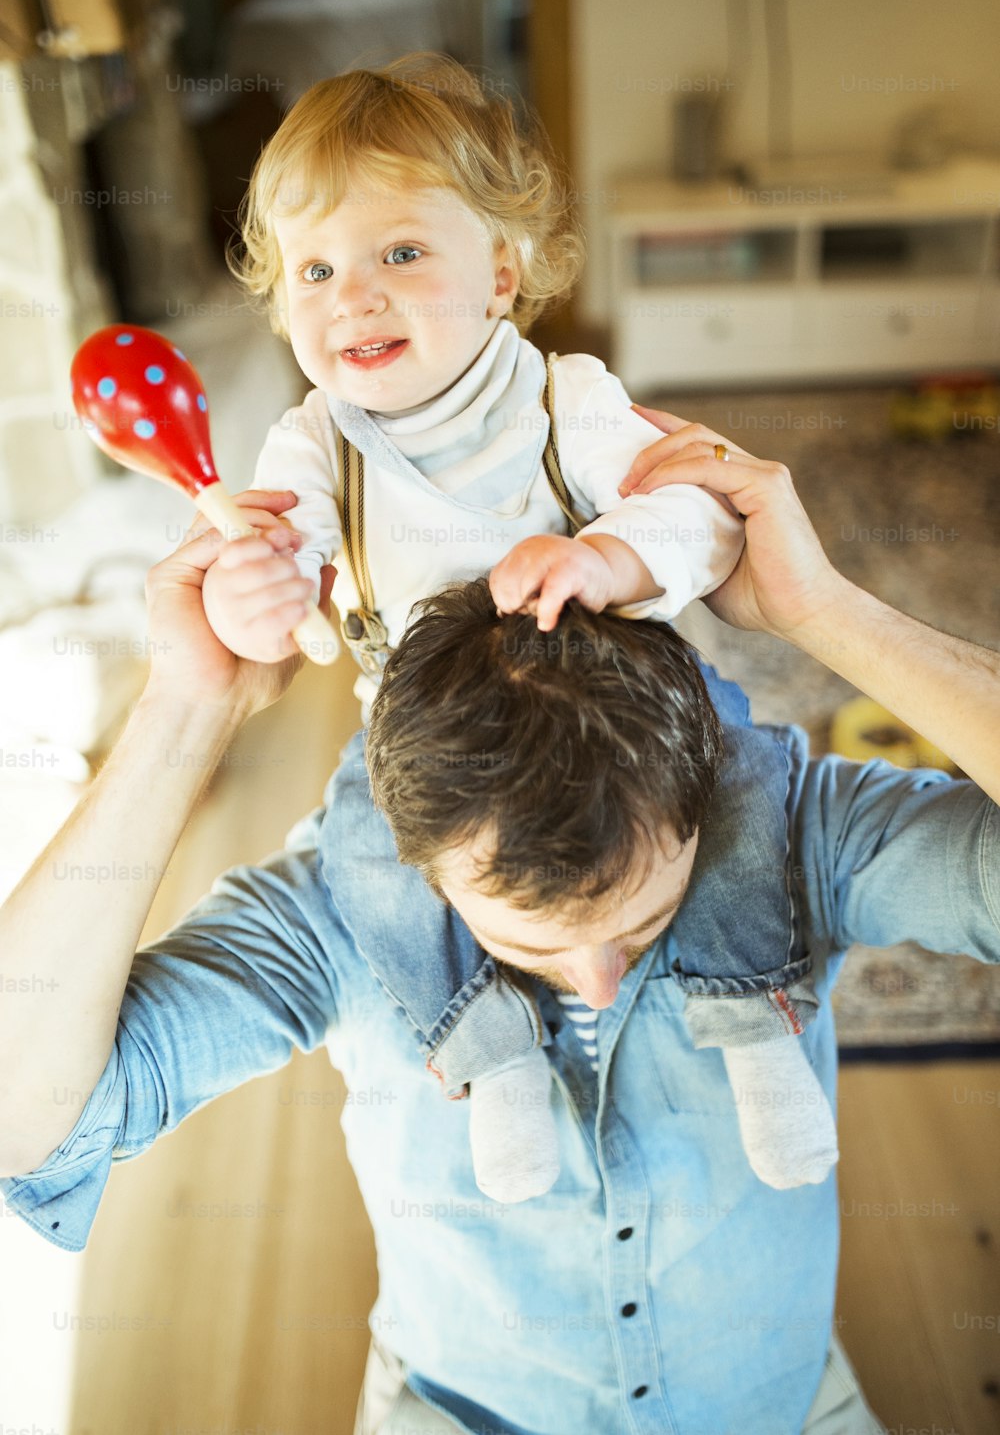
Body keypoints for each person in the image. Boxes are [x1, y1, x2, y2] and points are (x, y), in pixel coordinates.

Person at [1, 419, 997, 1433]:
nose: (598, 981)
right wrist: (186, 708)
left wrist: (823, 611)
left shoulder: (791, 826)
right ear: (412, 853)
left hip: (781, 1404)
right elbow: (18, 1115)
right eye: (526, 942)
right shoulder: (340, 898)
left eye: (645, 917)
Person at [199, 50, 834, 1201]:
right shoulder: (309, 449)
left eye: (401, 253)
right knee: (357, 850)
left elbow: (698, 509)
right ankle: (488, 1052)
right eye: (317, 268)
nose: (355, 293)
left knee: (745, 771)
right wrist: (257, 593)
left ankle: (752, 1016)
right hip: (439, 751)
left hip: (615, 716)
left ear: (498, 272)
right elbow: (279, 575)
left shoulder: (563, 398)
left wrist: (603, 551)